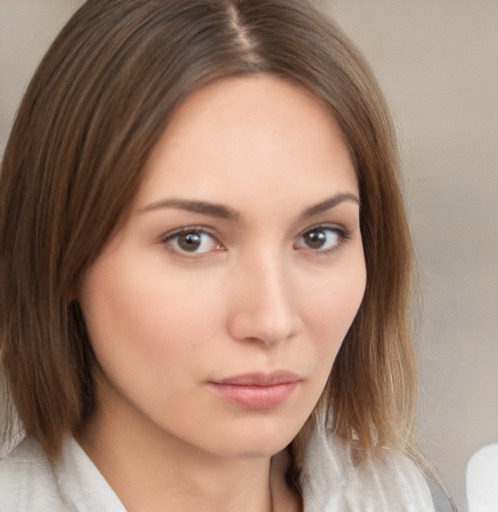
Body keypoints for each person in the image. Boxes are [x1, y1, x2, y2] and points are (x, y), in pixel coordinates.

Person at [0, 0, 455, 510]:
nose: (272, 320)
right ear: (59, 250)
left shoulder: (406, 497)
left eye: (319, 236)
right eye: (191, 240)